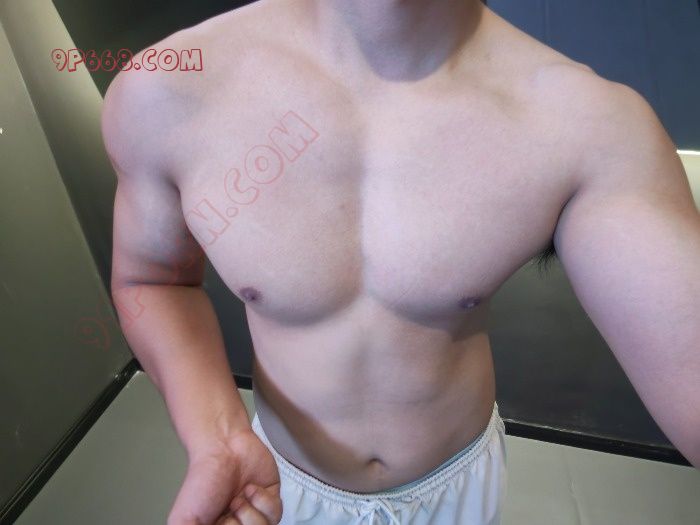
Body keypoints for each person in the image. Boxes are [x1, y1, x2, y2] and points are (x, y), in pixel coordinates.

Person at [100, 0, 700, 523]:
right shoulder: (168, 90)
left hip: (456, 488)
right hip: (271, 485)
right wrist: (217, 436)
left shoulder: (586, 128)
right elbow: (153, 281)